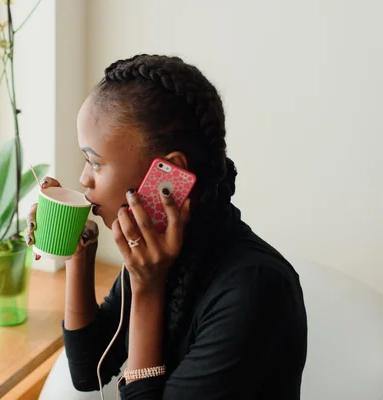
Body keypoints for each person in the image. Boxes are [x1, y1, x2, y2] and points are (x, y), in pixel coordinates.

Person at [26, 54, 307, 399]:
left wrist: (147, 290)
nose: (84, 178)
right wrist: (76, 247)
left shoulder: (256, 291)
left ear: (167, 175)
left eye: (94, 162)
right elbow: (89, 371)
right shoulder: (158, 251)